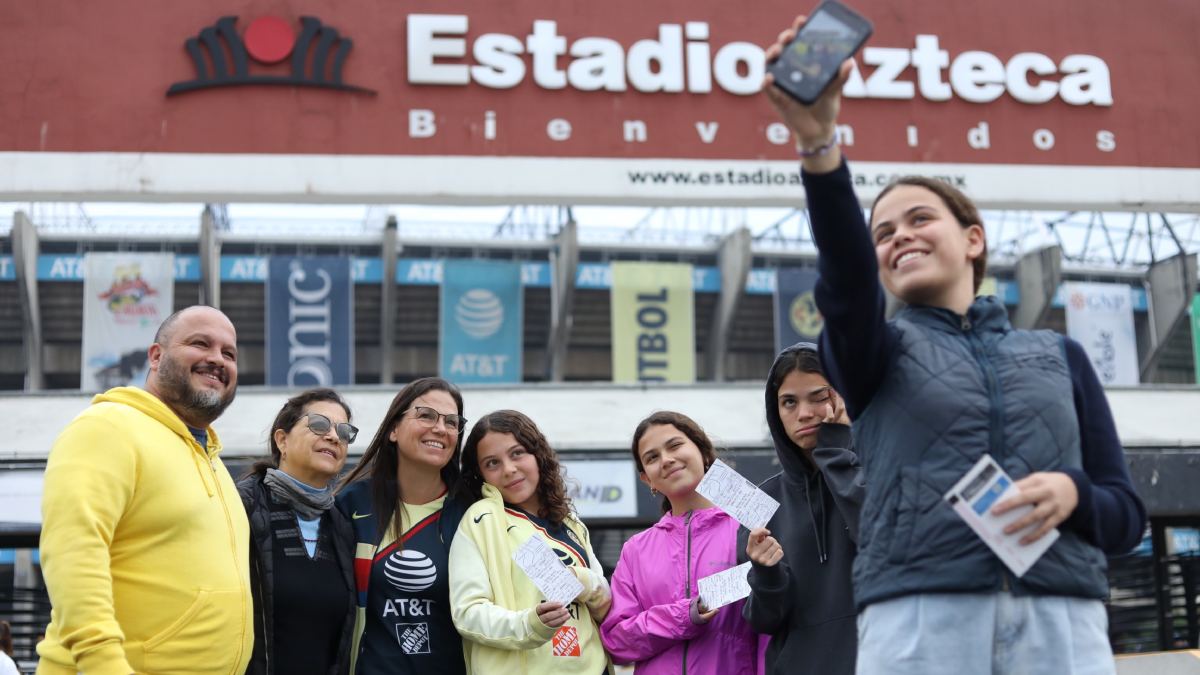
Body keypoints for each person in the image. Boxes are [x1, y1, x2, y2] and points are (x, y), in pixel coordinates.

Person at [762, 17, 1147, 674]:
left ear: (972, 238)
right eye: (883, 232)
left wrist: (1075, 493)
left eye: (919, 219)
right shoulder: (871, 354)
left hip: (1062, 615)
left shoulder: (1060, 357)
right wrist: (818, 142)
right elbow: (846, 282)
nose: (898, 237)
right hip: (920, 616)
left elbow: (1126, 514)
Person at [37, 305, 253, 675]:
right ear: (156, 356)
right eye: (200, 343)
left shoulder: (212, 459)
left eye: (228, 353)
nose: (217, 359)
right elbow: (74, 551)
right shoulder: (108, 427)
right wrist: (103, 664)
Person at [450, 410, 612, 675]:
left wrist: (580, 580)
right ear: (480, 474)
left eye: (517, 453)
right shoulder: (481, 521)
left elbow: (604, 603)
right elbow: (468, 613)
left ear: (538, 454)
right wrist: (531, 624)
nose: (509, 469)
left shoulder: (571, 523)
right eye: (492, 463)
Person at [600, 411, 757, 675]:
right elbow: (616, 641)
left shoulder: (750, 528)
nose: (667, 460)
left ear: (703, 451)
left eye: (675, 446)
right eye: (652, 457)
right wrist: (686, 615)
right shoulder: (635, 550)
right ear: (646, 479)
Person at [740, 343, 864, 675]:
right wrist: (767, 573)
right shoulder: (762, 500)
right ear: (775, 412)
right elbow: (764, 620)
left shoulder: (879, 469)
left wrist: (838, 454)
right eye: (789, 402)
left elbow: (882, 535)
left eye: (818, 396)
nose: (804, 413)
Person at [336, 377, 470, 675]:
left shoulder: (475, 513)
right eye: (426, 415)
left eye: (452, 422)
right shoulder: (351, 504)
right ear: (393, 429)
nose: (440, 428)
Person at [237, 388, 358, 674]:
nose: (333, 436)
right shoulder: (240, 507)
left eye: (344, 431)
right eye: (319, 424)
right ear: (282, 440)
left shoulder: (342, 525)